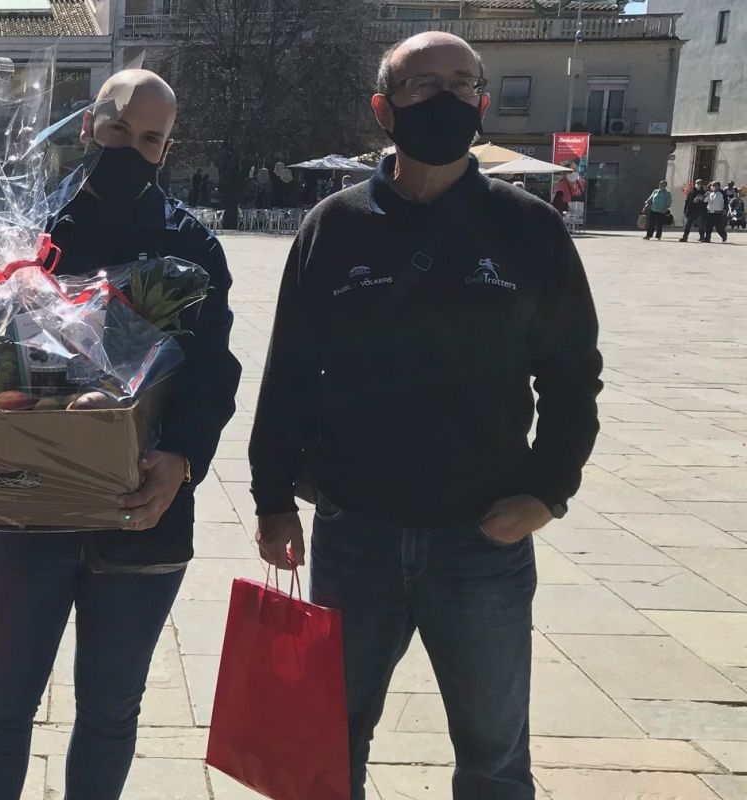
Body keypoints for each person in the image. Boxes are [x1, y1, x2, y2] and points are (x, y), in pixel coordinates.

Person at [249, 33, 602, 800]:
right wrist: (272, 497)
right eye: (420, 85)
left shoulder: (530, 230)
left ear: (480, 103)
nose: (443, 98)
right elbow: (288, 378)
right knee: (328, 745)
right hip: (355, 535)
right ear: (384, 109)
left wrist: (548, 491)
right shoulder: (333, 229)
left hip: (482, 541)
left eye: (461, 83)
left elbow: (574, 378)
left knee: (495, 758)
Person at [0, 69, 241, 800]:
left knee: (112, 714)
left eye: (149, 139)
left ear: (167, 147)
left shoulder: (193, 248)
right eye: (117, 129)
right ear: (88, 126)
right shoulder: (27, 235)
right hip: (27, 509)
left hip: (144, 516)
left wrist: (179, 459)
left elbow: (213, 373)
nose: (130, 148)